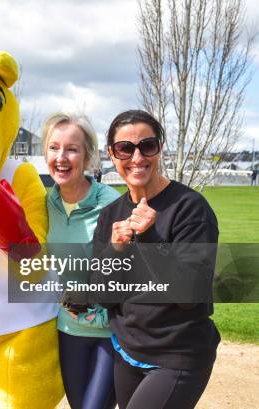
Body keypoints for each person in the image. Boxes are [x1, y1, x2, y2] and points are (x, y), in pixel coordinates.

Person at [92, 109, 220, 409]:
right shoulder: (110, 216)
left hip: (178, 354)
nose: (137, 157)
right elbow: (101, 295)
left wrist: (150, 237)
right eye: (125, 148)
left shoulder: (190, 208)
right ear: (112, 154)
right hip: (128, 351)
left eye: (147, 146)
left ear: (160, 147)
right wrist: (115, 251)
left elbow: (189, 294)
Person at [42, 112, 119, 409]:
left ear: (87, 156)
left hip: (109, 333)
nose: (61, 157)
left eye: (71, 149)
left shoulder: (111, 203)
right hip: (69, 331)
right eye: (54, 147)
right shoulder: (45, 203)